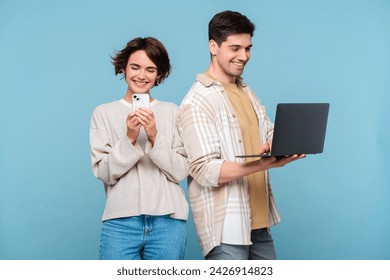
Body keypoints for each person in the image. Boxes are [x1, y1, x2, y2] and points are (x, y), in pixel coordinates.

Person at [177, 10, 305, 260]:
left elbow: (265, 131)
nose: (243, 56)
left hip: (259, 223)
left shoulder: (245, 90)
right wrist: (262, 164)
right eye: (235, 48)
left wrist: (283, 140)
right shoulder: (197, 100)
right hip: (226, 231)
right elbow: (203, 169)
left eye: (248, 48)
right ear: (213, 46)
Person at [90, 37, 188, 260]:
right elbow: (104, 173)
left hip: (168, 220)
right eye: (135, 67)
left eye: (150, 69)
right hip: (120, 222)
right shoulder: (103, 113)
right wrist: (130, 139)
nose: (141, 75)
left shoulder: (173, 112)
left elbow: (181, 170)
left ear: (159, 74)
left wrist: (154, 136)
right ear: (123, 68)